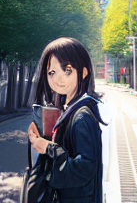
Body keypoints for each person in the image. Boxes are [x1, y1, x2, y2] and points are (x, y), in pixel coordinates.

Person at [28, 37, 105, 203]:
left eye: (67, 70)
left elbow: (84, 168)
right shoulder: (71, 109)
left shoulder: (82, 117)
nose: (58, 79)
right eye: (52, 72)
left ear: (84, 72)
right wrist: (43, 136)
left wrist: (48, 147)